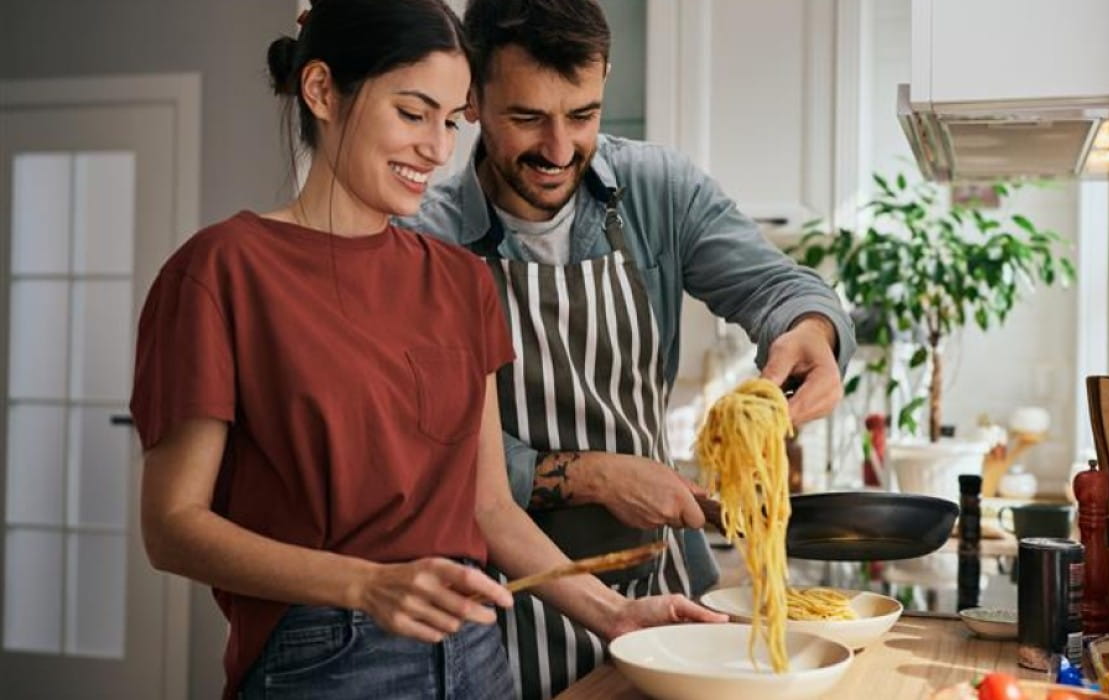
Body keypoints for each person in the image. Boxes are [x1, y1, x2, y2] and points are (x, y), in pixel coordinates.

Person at [130, 1, 723, 698]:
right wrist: (367, 583)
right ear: (321, 91)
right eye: (413, 114)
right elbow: (172, 528)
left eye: (450, 120)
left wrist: (616, 615)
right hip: (326, 661)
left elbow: (489, 509)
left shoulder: (459, 280)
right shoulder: (224, 270)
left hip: (476, 658)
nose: (438, 150)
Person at [403, 0, 857, 696]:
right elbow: (431, 454)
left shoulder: (657, 190)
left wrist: (811, 331)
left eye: (583, 115)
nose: (559, 150)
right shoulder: (423, 244)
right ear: (472, 96)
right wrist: (593, 475)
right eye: (527, 118)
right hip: (509, 606)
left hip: (665, 595)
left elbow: (778, 287)